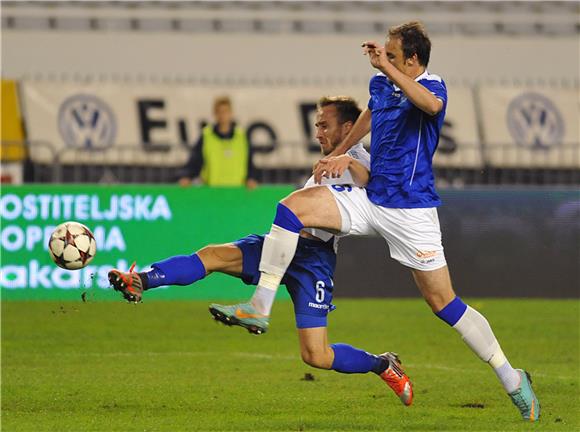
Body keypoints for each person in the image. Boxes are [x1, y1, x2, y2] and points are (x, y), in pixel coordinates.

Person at [213, 22, 540, 422]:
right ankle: (259, 305)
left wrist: (387, 69)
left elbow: (431, 108)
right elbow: (369, 115)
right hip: (372, 199)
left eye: (393, 54)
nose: (384, 58)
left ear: (413, 60)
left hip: (412, 212)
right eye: (383, 53)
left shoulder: (434, 87)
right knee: (292, 208)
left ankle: (511, 377)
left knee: (443, 303)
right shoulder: (383, 82)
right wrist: (342, 151)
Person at [109, 96, 413, 407]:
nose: (317, 133)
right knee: (212, 255)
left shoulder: (359, 157)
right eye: (316, 125)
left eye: (324, 125)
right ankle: (142, 281)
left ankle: (382, 364)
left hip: (314, 259)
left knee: (316, 355)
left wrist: (346, 160)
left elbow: (368, 180)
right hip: (282, 244)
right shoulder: (327, 161)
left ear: (349, 127)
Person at [178, 96, 258, 188]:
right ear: (215, 114)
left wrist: (251, 178)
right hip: (212, 191)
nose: (223, 115)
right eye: (219, 112)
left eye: (225, 111)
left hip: (236, 191)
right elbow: (195, 160)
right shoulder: (207, 136)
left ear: (231, 113)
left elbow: (250, 163)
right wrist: (187, 176)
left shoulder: (242, 137)